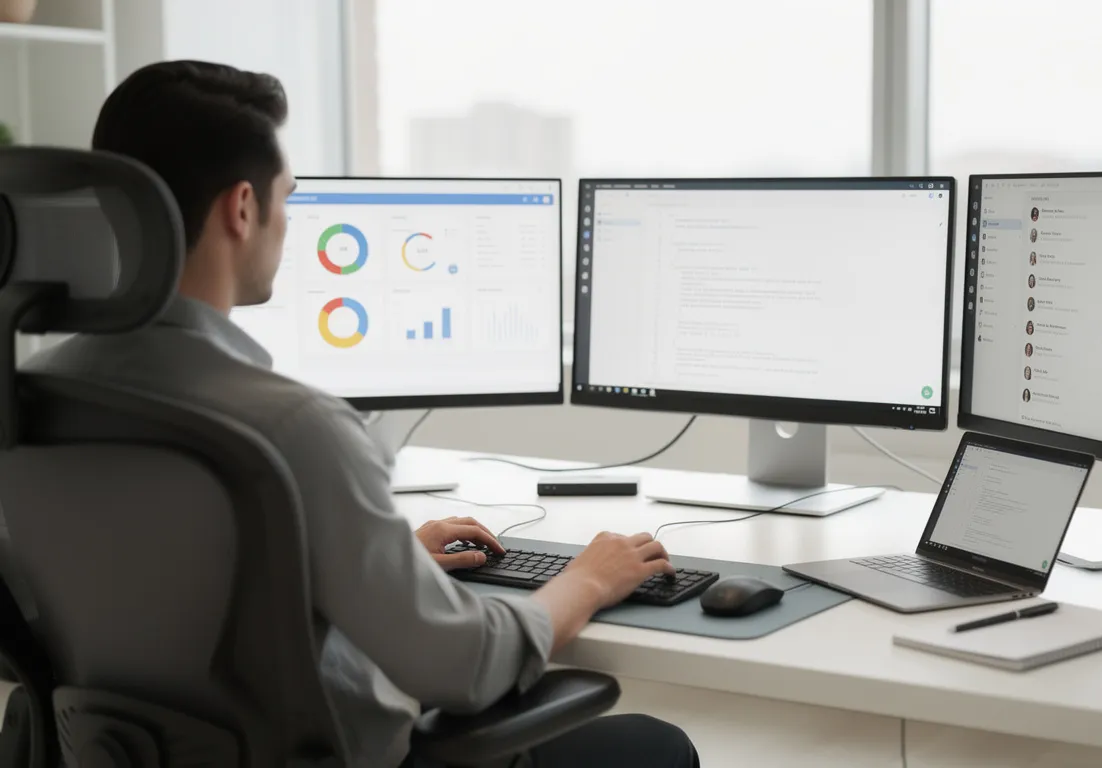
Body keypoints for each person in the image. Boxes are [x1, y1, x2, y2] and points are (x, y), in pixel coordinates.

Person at [20, 61, 699, 768]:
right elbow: (464, 667)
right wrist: (589, 577)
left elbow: (155, 584)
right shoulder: (289, 426)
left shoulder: (29, 402)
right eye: (287, 197)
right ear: (242, 208)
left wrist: (376, 561)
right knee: (658, 747)